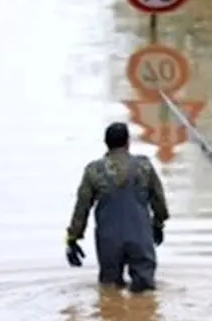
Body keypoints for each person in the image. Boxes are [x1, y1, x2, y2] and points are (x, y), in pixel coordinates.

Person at [66, 122, 170, 293]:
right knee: (145, 292)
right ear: (128, 142)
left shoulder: (94, 170)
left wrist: (72, 239)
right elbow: (159, 201)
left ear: (106, 143)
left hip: (109, 241)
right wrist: (158, 224)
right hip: (140, 238)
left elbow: (81, 209)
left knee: (109, 291)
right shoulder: (144, 166)